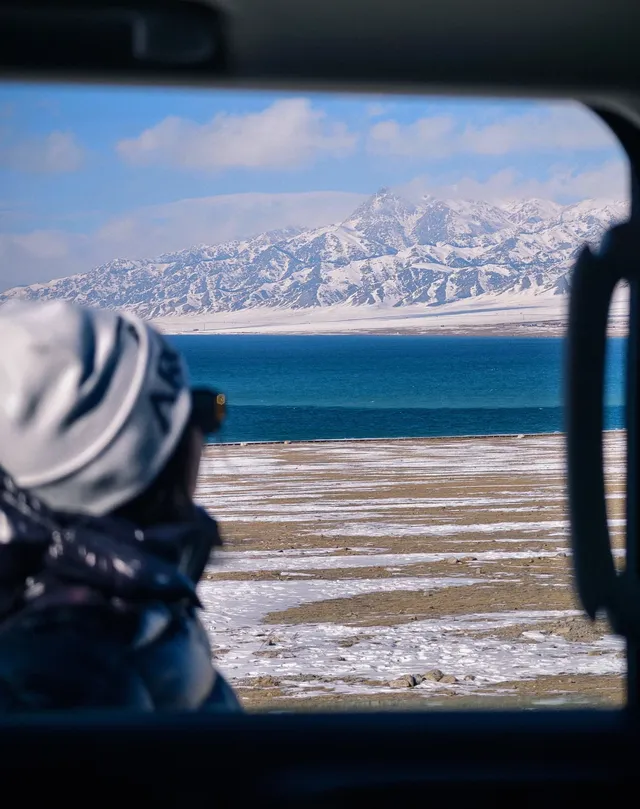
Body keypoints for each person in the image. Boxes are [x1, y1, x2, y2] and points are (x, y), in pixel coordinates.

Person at [0, 299, 241, 712]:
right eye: (198, 413)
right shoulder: (73, 677)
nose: (204, 433)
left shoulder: (122, 620)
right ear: (153, 457)